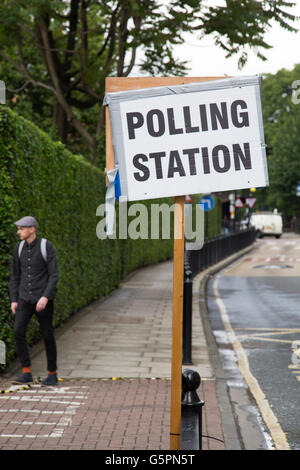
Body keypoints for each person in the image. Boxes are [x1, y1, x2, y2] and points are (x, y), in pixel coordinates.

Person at [9, 216, 59, 386]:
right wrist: (14, 299)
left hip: (42, 299)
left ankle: (52, 373)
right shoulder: (19, 248)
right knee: (18, 332)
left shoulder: (46, 246)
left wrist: (45, 296)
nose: (18, 232)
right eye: (19, 228)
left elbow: (54, 275)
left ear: (32, 229)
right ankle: (26, 372)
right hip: (24, 298)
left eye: (21, 228)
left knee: (47, 335)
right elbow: (15, 275)